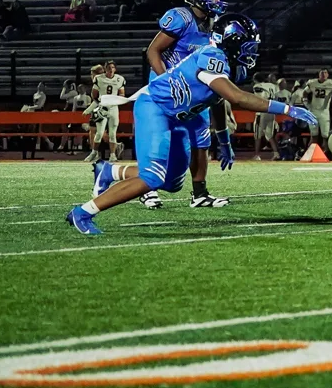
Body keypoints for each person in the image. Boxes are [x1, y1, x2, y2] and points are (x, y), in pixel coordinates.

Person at [69, 15, 316, 235]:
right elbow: (237, 98)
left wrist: (224, 141)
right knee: (152, 177)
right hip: (155, 108)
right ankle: (83, 212)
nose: (251, 52)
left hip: (178, 119)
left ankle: (109, 172)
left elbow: (216, 100)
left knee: (172, 183)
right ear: (230, 42)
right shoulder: (211, 56)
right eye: (247, 46)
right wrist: (288, 109)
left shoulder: (231, 67)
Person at [142, 0, 231, 209]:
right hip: (169, 87)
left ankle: (200, 193)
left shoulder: (216, 25)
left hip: (193, 90)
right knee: (159, 139)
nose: (218, 1)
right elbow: (153, 51)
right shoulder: (181, 18)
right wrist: (165, 81)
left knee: (201, 139)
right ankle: (147, 189)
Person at [303, 69, 332, 149]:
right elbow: (305, 92)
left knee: (325, 136)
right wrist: (306, 103)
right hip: (313, 111)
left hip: (324, 112)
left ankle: (325, 155)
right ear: (319, 74)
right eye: (322, 73)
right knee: (314, 135)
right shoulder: (313, 83)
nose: (323, 74)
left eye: (325, 73)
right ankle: (311, 153)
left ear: (328, 75)